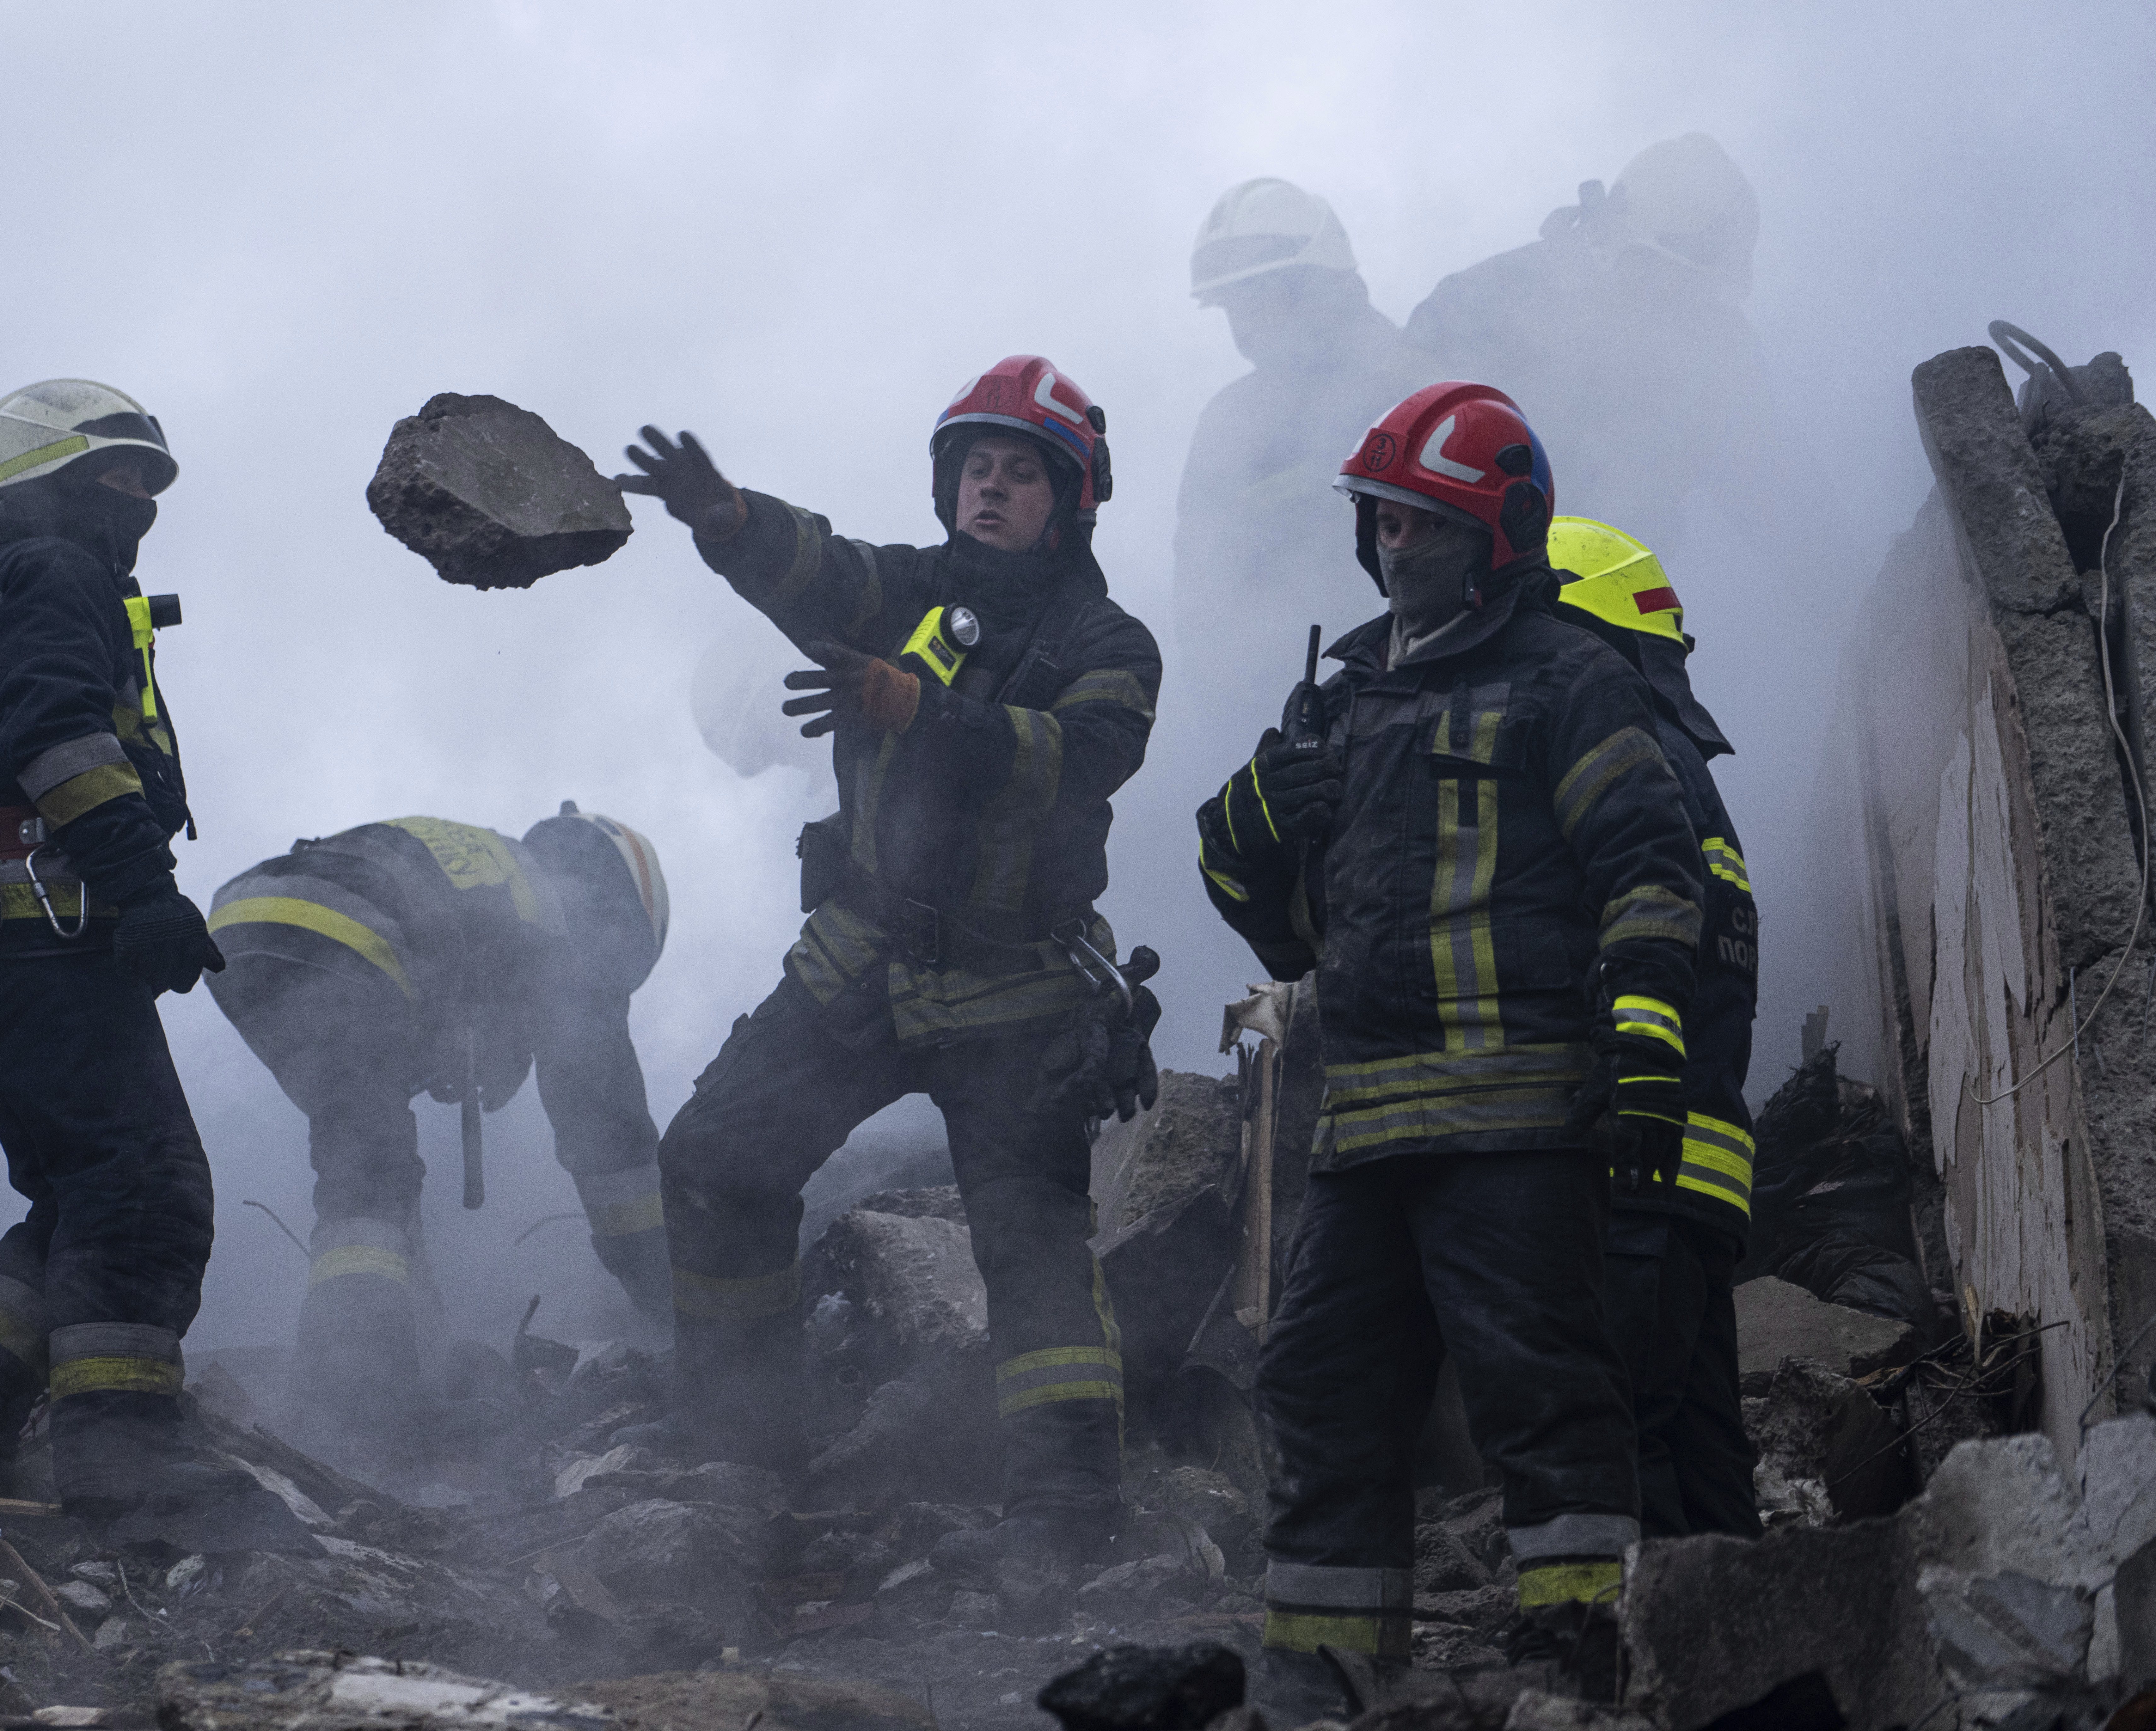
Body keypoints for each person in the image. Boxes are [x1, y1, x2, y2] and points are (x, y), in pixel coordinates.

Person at [1197, 382, 1707, 1715]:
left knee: (1542, 1396)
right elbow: (1294, 935)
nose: (1388, 546)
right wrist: (1242, 831)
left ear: (1501, 532)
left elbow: (1653, 875)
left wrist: (1650, 1048)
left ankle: (1581, 1664)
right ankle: (1326, 1678)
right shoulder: (1341, 700)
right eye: (1375, 520)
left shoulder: (1568, 679)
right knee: (1316, 1392)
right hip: (1363, 1132)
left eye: (1419, 522)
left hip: (1517, 1123)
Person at [613, 355, 1163, 1569]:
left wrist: (919, 708)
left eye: (1021, 472)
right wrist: (729, 517)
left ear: (1071, 500)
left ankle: (1066, 1518)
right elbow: (824, 571)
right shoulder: (908, 591)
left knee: (1028, 1250)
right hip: (860, 957)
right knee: (713, 1161)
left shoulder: (1108, 640)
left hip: (1019, 983)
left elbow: (1073, 755)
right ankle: (739, 1455)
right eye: (974, 467)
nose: (991, 487)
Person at [0, 379, 249, 1544]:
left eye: (150, 480)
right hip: (40, 926)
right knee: (146, 1193)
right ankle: (128, 1482)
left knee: (79, 1196)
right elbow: (59, 737)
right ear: (42, 484)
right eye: (116, 475)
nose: (138, 500)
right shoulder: (58, 574)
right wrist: (145, 890)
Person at [203, 804, 673, 1440]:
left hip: (241, 927)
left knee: (365, 1156)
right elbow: (611, 1142)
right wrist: (670, 1298)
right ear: (620, 917)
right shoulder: (572, 920)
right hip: (343, 931)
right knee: (372, 1169)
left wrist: (436, 1346)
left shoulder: (498, 874)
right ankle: (359, 1387)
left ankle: (379, 1359)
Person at [1550, 516, 1761, 1540]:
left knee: (1622, 1437)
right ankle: (1763, 1680)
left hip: (1637, 1167)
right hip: (1699, 1176)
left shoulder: (1620, 760)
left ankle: (1657, 1687)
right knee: (1704, 1452)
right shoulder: (1688, 771)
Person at [1406, 133, 1851, 577]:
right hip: (1458, 590)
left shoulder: (1714, 347)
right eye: (1676, 276)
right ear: (1625, 242)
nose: (1684, 301)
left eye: (1700, 287)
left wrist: (1863, 607)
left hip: (1601, 604)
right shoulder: (1485, 304)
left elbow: (1780, 498)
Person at [1174, 179, 1419, 730]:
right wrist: (1233, 715)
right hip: (1276, 718)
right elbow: (1201, 593)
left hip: (1417, 707)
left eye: (1261, 295)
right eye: (1233, 304)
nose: (1246, 321)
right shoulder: (1230, 423)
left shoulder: (1416, 389)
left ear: (1320, 286)